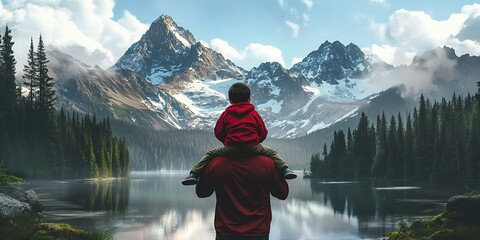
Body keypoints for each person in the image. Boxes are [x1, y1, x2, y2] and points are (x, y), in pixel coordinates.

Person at [182, 82, 296, 185]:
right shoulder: (254, 113)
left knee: (209, 155)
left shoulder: (226, 114)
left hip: (231, 148)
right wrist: (256, 141)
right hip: (253, 147)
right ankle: (285, 170)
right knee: (273, 153)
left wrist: (227, 142)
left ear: (230, 100)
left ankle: (193, 174)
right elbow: (263, 132)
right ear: (249, 99)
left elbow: (218, 132)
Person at [196, 154, 289, 239]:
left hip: (225, 232)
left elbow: (202, 192)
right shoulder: (268, 163)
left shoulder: (216, 163)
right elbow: (282, 193)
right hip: (258, 232)